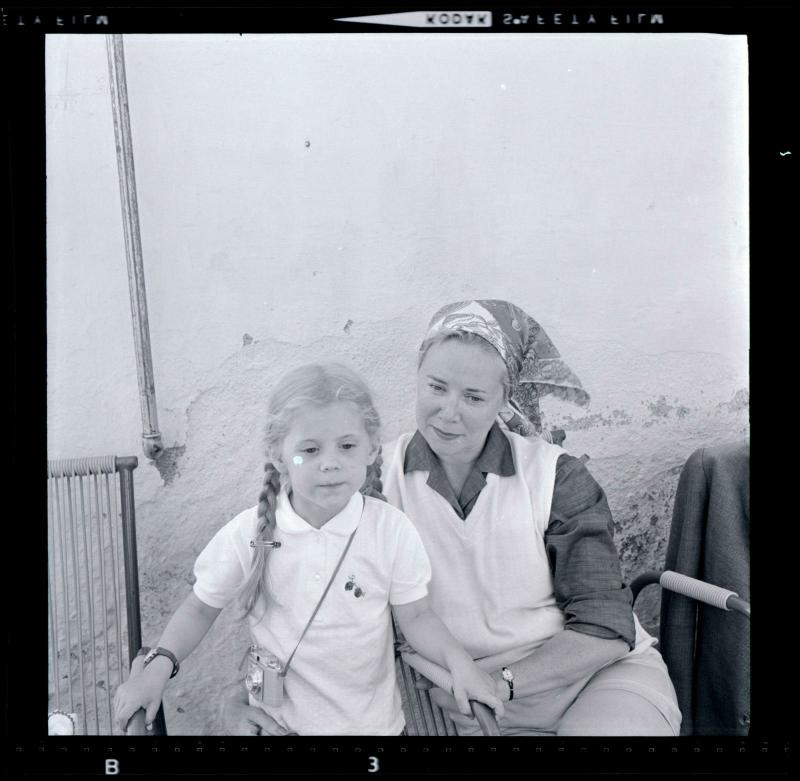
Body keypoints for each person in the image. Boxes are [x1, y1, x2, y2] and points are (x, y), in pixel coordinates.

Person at [223, 300, 682, 736]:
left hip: (594, 684)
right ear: (418, 378)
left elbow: (605, 629)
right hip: (468, 708)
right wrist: (251, 697)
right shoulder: (367, 480)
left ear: (506, 399)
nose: (449, 413)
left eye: (474, 397)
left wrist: (498, 682)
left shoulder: (555, 477)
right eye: (436, 388)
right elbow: (295, 598)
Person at [113, 363, 503, 736]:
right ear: (277, 452)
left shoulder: (391, 531)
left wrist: (460, 664)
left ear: (370, 449)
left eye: (347, 446)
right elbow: (199, 607)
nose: (330, 464)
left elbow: (417, 617)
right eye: (310, 450)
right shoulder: (249, 532)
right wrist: (157, 667)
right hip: (275, 726)